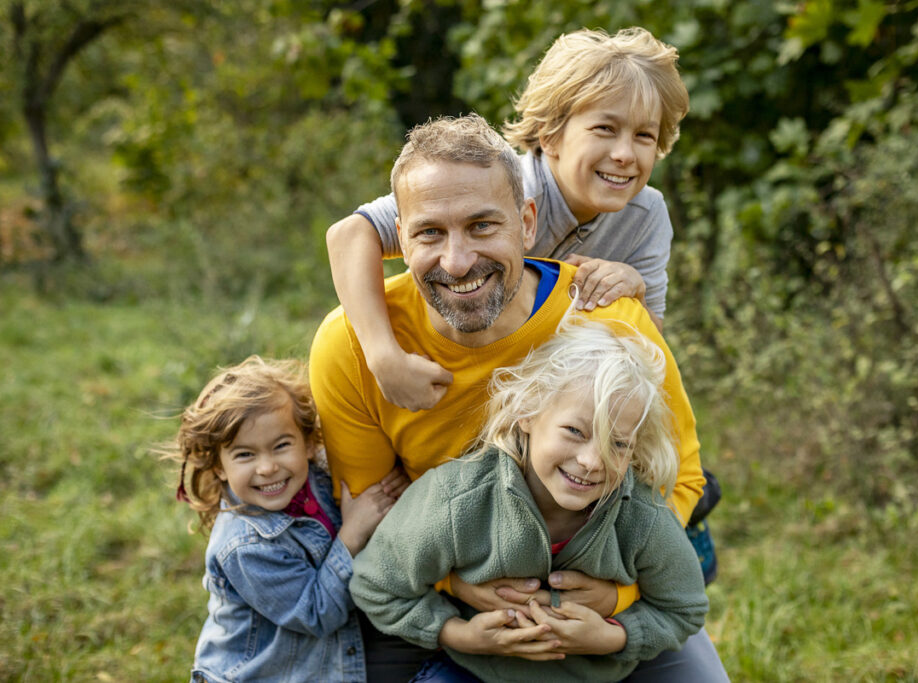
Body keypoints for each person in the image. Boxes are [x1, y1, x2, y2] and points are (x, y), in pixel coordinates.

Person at [309, 114, 728, 681]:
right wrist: (456, 588)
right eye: (430, 233)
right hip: (446, 592)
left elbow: (680, 480)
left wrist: (619, 597)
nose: (457, 261)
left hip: (599, 595)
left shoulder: (609, 322)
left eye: (483, 226)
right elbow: (374, 509)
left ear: (527, 223)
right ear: (398, 240)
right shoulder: (352, 345)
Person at [326, 26, 689, 412]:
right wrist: (384, 357)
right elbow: (350, 234)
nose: (624, 154)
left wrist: (635, 289)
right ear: (550, 137)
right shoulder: (495, 188)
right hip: (451, 383)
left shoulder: (647, 214)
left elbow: (650, 351)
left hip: (545, 405)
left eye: (644, 136)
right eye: (605, 128)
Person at [350, 320, 710, 682]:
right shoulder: (456, 500)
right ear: (527, 412)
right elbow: (377, 584)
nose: (591, 461)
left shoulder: (639, 516)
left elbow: (683, 609)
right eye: (575, 431)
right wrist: (461, 635)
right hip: (476, 670)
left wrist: (612, 638)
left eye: (617, 444)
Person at [170, 356, 406, 682]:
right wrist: (352, 534)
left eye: (281, 445)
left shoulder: (317, 477)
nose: (267, 467)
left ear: (308, 444)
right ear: (219, 467)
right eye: (245, 455)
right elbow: (315, 613)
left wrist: (390, 482)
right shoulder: (244, 545)